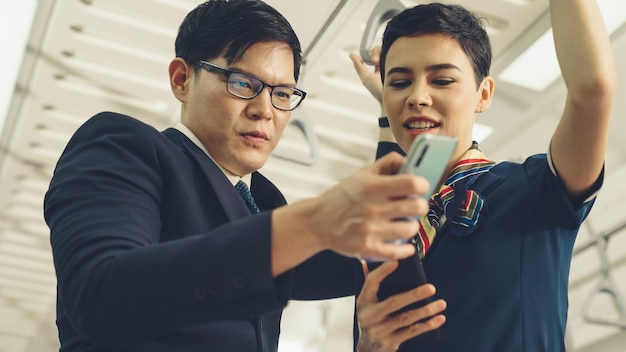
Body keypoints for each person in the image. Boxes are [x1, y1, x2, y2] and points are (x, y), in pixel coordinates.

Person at [43, 1, 447, 351]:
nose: (264, 109)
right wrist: (312, 221)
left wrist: (392, 111)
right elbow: (101, 298)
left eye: (283, 94)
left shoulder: (264, 201)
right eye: (243, 83)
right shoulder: (125, 146)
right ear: (182, 79)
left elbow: (371, 252)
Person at [349, 0, 615, 351]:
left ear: (483, 94)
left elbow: (591, 91)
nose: (417, 97)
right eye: (399, 83)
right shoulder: (385, 236)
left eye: (442, 79)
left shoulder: (534, 192)